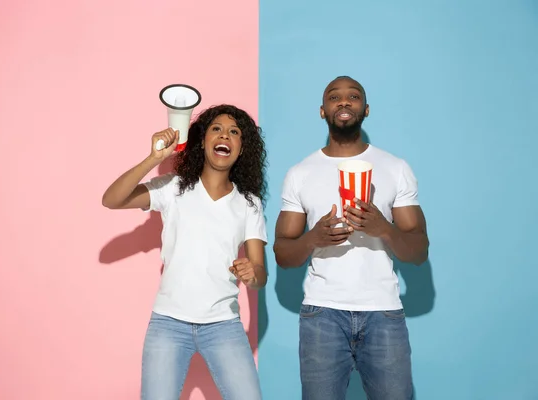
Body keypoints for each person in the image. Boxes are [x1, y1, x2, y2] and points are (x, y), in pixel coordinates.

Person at [273, 76, 429, 400]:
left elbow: (418, 250)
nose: (344, 102)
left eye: (353, 96)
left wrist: (382, 228)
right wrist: (313, 237)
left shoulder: (395, 168)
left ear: (366, 109)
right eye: (335, 97)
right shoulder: (300, 173)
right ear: (322, 110)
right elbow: (282, 254)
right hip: (322, 315)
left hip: (384, 313)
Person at [102, 104, 268, 400]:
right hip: (168, 324)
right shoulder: (173, 188)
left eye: (234, 132)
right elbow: (112, 200)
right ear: (202, 141)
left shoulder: (249, 203)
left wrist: (252, 273)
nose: (225, 136)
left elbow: (259, 275)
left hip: (223, 325)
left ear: (242, 149)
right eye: (216, 129)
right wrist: (153, 158)